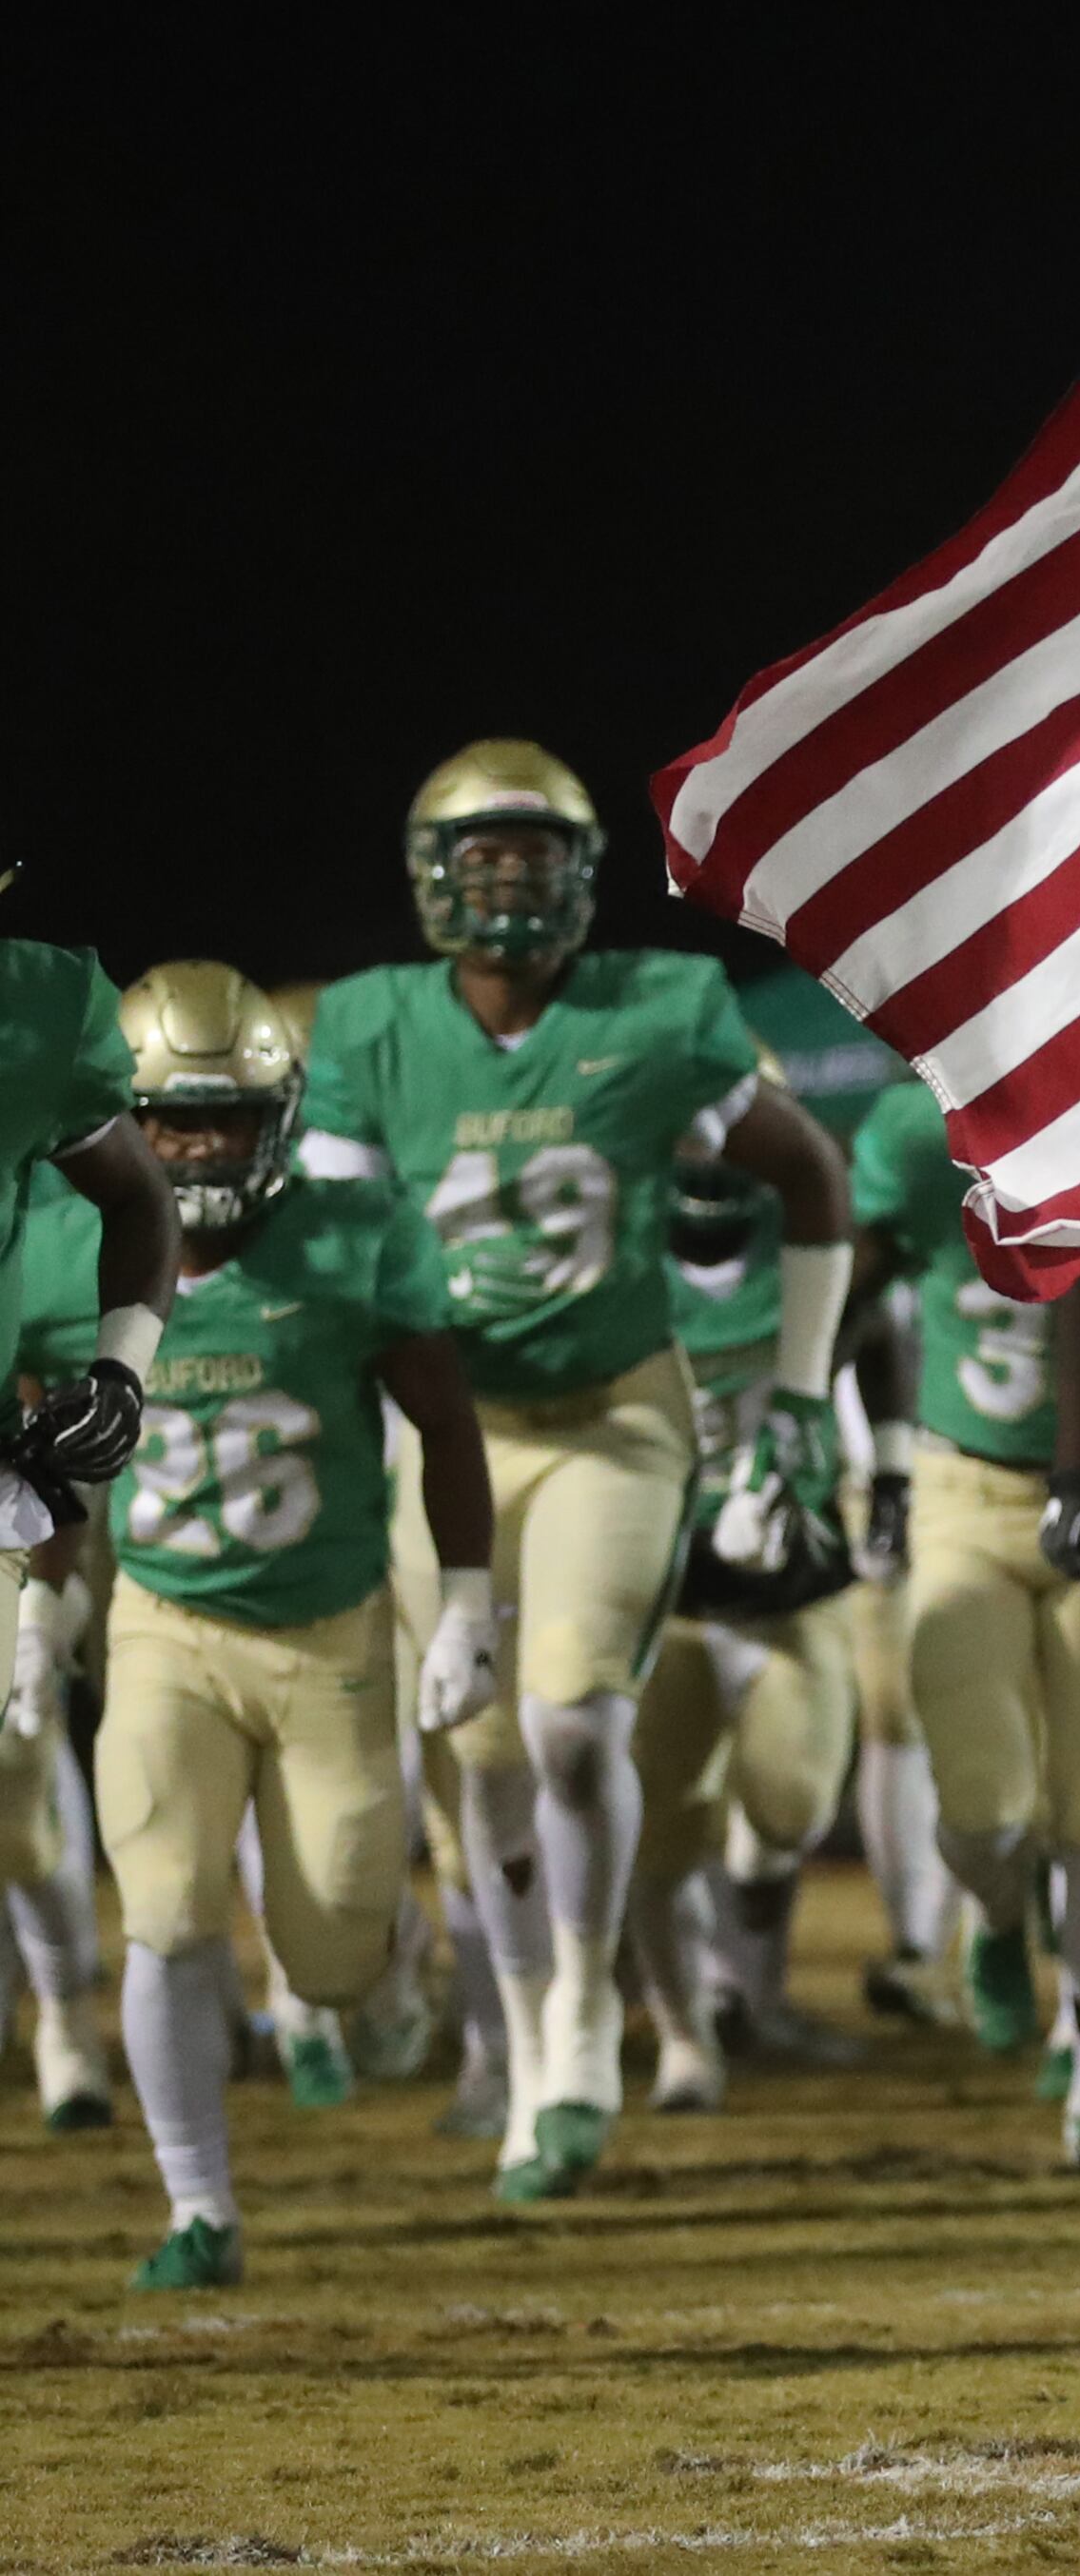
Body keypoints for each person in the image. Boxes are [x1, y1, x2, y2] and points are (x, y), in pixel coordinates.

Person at [304, 739, 853, 2201]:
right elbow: (350, 1267)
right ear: (433, 878)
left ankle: (582, 2017)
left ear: (579, 877)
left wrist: (799, 1392)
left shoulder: (659, 1006)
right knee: (479, 1761)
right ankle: (529, 2024)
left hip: (614, 1415)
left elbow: (812, 1175)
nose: (506, 884)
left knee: (564, 1725)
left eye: (532, 858)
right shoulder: (367, 1027)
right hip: (452, 1435)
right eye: (481, 857)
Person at [91, 965, 500, 2287]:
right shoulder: (60, 1231)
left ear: (277, 1118)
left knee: (329, 1962)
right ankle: (198, 2207)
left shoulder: (355, 1229)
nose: (198, 1148)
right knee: (164, 1910)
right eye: (170, 1121)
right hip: (165, 1622)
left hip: (329, 1633)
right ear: (124, 1122)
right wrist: (29, 1606)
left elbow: (445, 1419)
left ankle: (390, 1963)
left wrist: (469, 1603)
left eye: (223, 1120)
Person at [848, 1077, 1080, 2167]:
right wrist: (786, 1404)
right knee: (980, 1811)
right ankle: (996, 1914)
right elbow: (848, 1276)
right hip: (962, 1489)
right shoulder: (907, 1133)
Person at [626, 1151, 864, 2108]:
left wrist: (865, 1474)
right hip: (667, 1594)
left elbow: (867, 1348)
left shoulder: (802, 1267)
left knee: (792, 1805)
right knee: (658, 1833)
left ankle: (747, 1993)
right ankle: (687, 2033)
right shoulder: (621, 1275)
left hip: (786, 1590)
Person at [1, 933, 179, 2136]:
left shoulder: (40, 1010)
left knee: (17, 1774)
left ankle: (64, 2004)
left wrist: (121, 1371)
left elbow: (136, 1193)